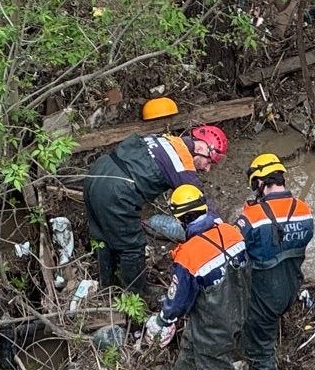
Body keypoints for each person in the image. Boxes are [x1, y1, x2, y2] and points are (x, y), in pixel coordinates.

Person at [145, 185, 251, 370]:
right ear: (204, 208)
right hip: (238, 309)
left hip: (213, 323)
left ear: (180, 219)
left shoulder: (189, 255)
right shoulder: (231, 232)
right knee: (191, 342)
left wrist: (162, 319)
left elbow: (178, 301)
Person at [83, 123, 228, 296]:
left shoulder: (166, 139)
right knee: (132, 247)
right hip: (118, 191)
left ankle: (105, 286)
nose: (207, 168)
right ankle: (136, 297)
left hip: (98, 173)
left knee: (102, 236)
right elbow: (201, 203)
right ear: (201, 146)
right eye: (209, 161)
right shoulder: (182, 164)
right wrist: (222, 228)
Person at [236, 153, 314, 370]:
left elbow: (236, 251)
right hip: (291, 287)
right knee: (267, 332)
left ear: (260, 182)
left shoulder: (251, 217)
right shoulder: (305, 210)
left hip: (264, 293)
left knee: (261, 348)